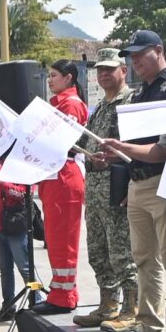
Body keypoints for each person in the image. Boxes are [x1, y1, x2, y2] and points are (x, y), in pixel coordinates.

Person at [98, 31, 166, 332]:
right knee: (144, 259)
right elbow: (134, 145)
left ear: (159, 50)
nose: (134, 60)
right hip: (138, 182)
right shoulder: (139, 94)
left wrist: (122, 147)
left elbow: (165, 147)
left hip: (164, 180)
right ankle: (151, 324)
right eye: (131, 55)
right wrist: (116, 160)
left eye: (140, 54)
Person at [75, 52, 138, 331]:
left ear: (123, 71)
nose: (103, 75)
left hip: (118, 189)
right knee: (98, 253)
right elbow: (84, 143)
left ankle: (131, 308)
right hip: (96, 192)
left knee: (122, 254)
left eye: (109, 70)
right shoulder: (100, 107)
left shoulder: (131, 103)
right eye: (99, 70)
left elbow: (134, 147)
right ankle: (108, 304)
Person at [39, 59, 93, 313]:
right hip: (55, 175)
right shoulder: (59, 104)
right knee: (55, 237)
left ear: (69, 78)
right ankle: (60, 290)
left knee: (63, 239)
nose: (49, 80)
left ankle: (65, 295)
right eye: (49, 76)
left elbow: (62, 140)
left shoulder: (70, 104)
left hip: (64, 175)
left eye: (54, 75)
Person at [0, 165, 40, 310]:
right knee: (5, 270)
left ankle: (37, 301)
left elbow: (24, 194)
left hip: (16, 229)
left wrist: (2, 183)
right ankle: (8, 305)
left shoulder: (24, 170)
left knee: (25, 267)